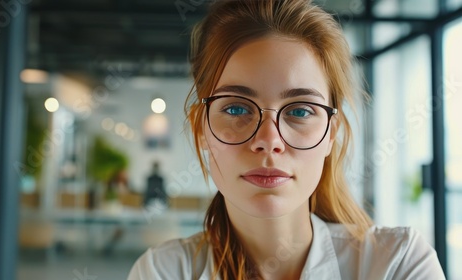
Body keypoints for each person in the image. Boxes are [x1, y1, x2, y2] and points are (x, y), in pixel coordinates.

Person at [127, 0, 446, 279]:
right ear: (201, 129)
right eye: (237, 108)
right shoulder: (162, 272)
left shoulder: (397, 265)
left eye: (300, 111)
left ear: (330, 134)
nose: (269, 141)